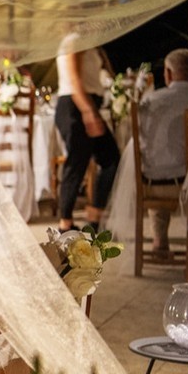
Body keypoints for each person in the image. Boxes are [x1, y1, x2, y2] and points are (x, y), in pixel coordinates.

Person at [138, 49, 188, 261]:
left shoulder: (150, 101)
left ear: (168, 73)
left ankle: (159, 242)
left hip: (151, 184)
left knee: (161, 165)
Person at [55, 33, 119, 231]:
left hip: (88, 104)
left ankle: (94, 214)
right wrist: (88, 112)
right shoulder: (75, 39)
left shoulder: (91, 43)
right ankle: (65, 224)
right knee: (77, 162)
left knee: (110, 158)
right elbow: (74, 80)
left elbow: (108, 74)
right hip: (76, 106)